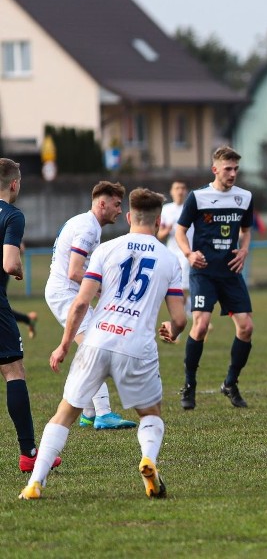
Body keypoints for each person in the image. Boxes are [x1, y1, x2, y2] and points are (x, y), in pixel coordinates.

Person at [19, 188, 186, 500]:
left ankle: (34, 483)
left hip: (97, 339)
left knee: (65, 413)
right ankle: (148, 459)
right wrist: (172, 329)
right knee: (151, 414)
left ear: (128, 217)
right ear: (158, 219)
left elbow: (81, 303)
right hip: (136, 346)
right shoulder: (169, 258)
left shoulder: (106, 249)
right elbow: (179, 318)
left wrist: (65, 344)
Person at [45, 181, 136, 430]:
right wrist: (101, 289)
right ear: (102, 203)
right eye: (117, 205)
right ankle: (103, 413)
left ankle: (88, 412)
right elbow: (75, 271)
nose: (120, 210)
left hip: (67, 292)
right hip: (66, 293)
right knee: (95, 347)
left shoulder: (85, 223)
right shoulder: (87, 228)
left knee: (95, 345)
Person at [175, 146, 255, 409]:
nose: (232, 174)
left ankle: (230, 383)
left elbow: (245, 230)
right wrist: (188, 254)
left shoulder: (244, 197)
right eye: (228, 169)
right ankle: (189, 385)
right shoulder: (198, 197)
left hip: (230, 272)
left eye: (236, 169)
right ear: (215, 169)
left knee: (246, 328)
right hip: (204, 272)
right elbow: (180, 231)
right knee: (200, 324)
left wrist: (243, 250)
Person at [0, 158, 61, 473]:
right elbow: (10, 264)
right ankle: (29, 453)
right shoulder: (12, 215)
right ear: (14, 184)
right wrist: (20, 269)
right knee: (14, 372)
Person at [157, 180, 193, 339]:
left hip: (189, 252)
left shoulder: (191, 208)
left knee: (183, 288)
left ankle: (180, 324)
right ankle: (189, 314)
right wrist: (168, 230)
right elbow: (159, 235)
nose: (180, 191)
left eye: (183, 188)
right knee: (178, 289)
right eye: (177, 188)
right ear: (172, 191)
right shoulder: (166, 210)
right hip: (172, 253)